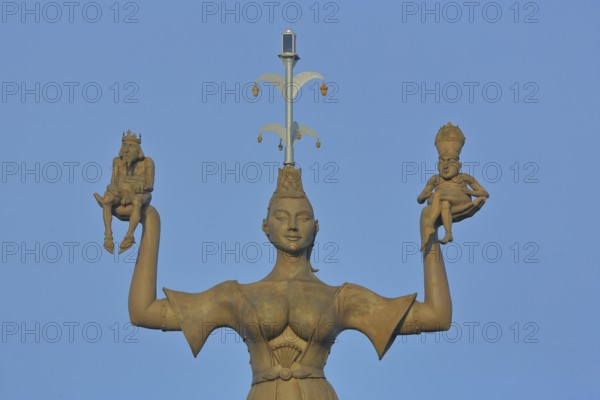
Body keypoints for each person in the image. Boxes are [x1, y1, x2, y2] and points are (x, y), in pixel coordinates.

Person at [122, 165, 482, 400]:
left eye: (302, 217)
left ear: (316, 227)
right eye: (281, 216)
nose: (292, 225)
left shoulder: (341, 298)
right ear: (265, 227)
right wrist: (149, 222)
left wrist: (428, 232)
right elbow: (143, 312)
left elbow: (437, 316)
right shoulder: (236, 296)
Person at [418, 123, 489, 251]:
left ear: (459, 165)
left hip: (461, 199)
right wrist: (423, 196)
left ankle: (429, 227)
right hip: (444, 203)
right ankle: (448, 234)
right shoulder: (435, 179)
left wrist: (470, 192)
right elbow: (420, 198)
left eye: (449, 161)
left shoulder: (464, 177)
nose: (444, 166)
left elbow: (485, 193)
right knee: (443, 202)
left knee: (438, 195)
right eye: (441, 162)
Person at [93, 131, 154, 254]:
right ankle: (108, 236)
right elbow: (113, 182)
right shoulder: (117, 161)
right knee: (107, 199)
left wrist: (142, 186)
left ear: (138, 148)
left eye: (130, 146)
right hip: (120, 194)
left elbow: (150, 185)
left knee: (137, 202)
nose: (126, 149)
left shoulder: (147, 162)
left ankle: (129, 237)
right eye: (124, 145)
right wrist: (112, 188)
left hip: (139, 194)